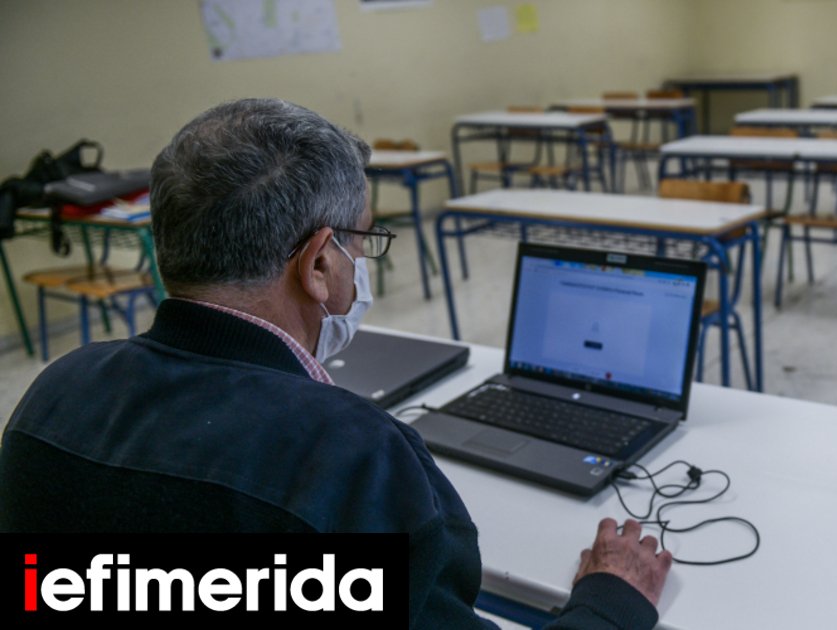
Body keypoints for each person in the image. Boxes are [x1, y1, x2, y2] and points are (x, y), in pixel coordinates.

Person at [0, 98, 671, 628]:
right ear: (319, 264)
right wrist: (612, 599)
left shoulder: (52, 397)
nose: (360, 266)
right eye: (361, 242)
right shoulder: (355, 459)